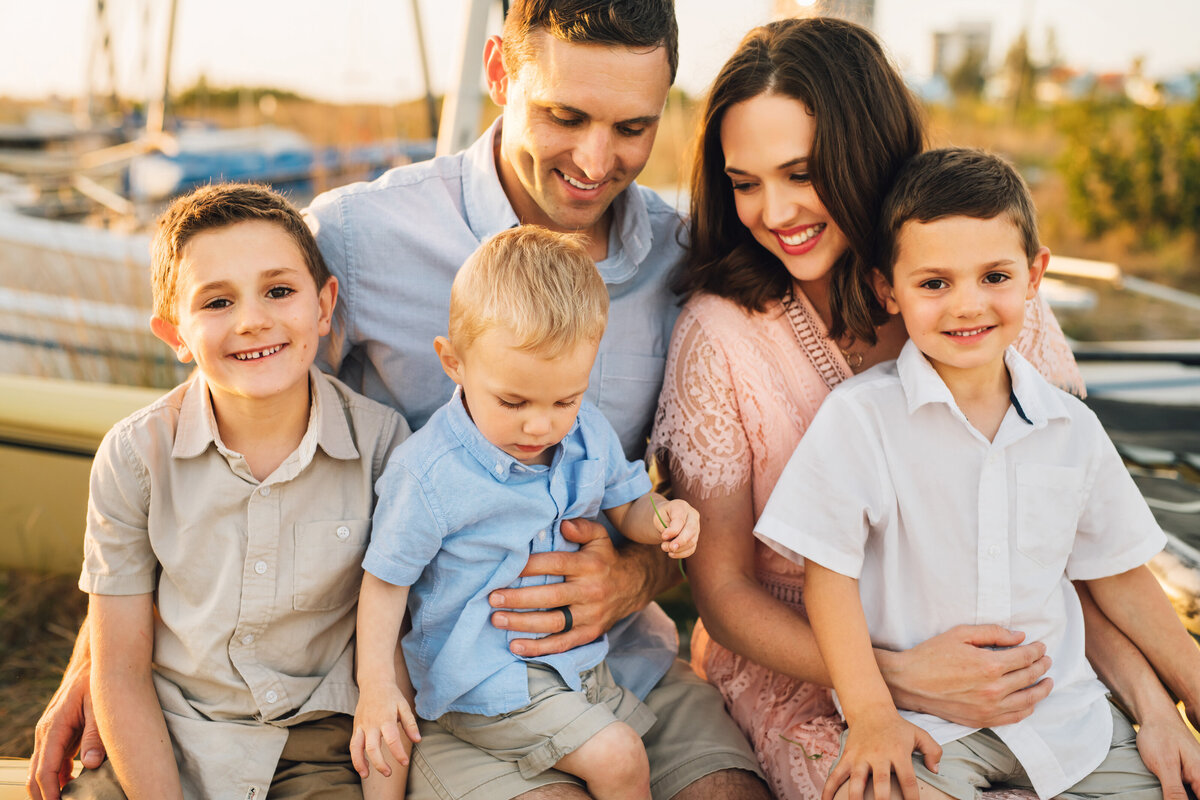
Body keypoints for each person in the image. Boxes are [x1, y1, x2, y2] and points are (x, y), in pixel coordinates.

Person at [28, 2, 767, 799]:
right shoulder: (359, 234)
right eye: (564, 115)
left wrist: (636, 573)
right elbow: (216, 419)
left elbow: (692, 492)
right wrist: (103, 662)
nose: (596, 157)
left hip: (620, 657)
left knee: (728, 793)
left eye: (633, 127)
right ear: (497, 74)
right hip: (441, 676)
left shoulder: (684, 257)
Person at [647, 16, 1200, 800]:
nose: (774, 211)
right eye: (744, 183)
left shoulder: (987, 299)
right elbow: (725, 592)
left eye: (802, 173)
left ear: (863, 151)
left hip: (1022, 679)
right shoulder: (721, 332)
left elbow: (1075, 553)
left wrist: (1156, 703)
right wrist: (898, 678)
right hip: (808, 676)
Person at [758, 147, 1200, 800]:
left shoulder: (1070, 428)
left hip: (1067, 720)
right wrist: (874, 712)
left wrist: (1184, 697)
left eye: (994, 276)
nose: (967, 305)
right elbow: (829, 576)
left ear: (1034, 275)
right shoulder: (862, 419)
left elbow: (1119, 577)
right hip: (925, 724)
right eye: (934, 284)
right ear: (889, 289)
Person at [60, 184, 411, 800]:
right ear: (174, 335)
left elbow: (391, 651)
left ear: (324, 305)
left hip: (320, 745)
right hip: (168, 732)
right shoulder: (135, 455)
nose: (253, 320)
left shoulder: (382, 446)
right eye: (217, 301)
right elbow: (117, 670)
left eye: (279, 290)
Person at [353, 226, 700, 800]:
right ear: (454, 362)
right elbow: (386, 582)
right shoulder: (430, 474)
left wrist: (666, 518)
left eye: (565, 399)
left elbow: (629, 506)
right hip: (485, 681)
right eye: (513, 401)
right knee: (619, 757)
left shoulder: (587, 430)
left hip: (578, 667)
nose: (540, 426)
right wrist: (375, 686)